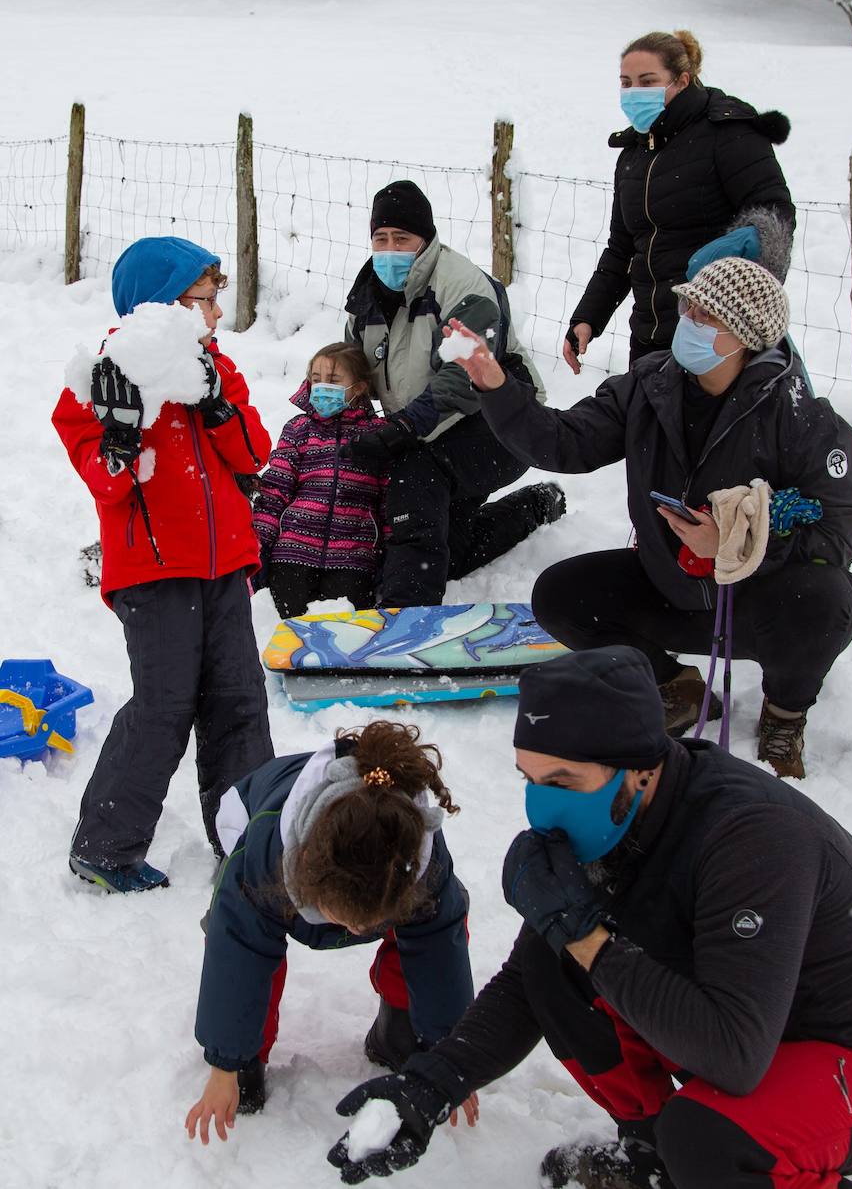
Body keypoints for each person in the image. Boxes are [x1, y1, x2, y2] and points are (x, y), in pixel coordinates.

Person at [327, 647, 852, 1189]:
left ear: (642, 770)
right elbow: (527, 982)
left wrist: (586, 937)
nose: (541, 805)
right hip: (744, 1026)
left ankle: (698, 1158)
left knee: (707, 1140)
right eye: (530, 779)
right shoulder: (611, 821)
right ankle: (653, 1158)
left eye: (563, 781)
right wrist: (431, 1085)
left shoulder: (752, 838)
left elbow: (734, 1053)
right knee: (552, 959)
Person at [446, 257, 852, 779]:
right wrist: (495, 386)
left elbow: (836, 533)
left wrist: (736, 543)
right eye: (688, 307)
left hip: (757, 603)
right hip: (673, 585)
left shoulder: (801, 416)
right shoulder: (650, 385)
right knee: (560, 596)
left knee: (826, 600)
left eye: (706, 316)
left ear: (744, 336)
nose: (687, 320)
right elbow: (565, 441)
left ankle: (784, 713)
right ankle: (676, 685)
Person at [51, 236, 274, 892]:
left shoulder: (215, 368)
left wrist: (218, 408)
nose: (215, 313)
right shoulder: (104, 377)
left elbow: (253, 454)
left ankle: (248, 842)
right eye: (203, 299)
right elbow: (105, 481)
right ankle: (106, 848)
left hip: (225, 564)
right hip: (153, 572)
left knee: (238, 701)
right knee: (164, 703)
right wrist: (120, 437)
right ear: (161, 305)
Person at [185, 719, 476, 1145]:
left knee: (430, 922)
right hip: (257, 814)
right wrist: (224, 1065)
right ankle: (248, 1055)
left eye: (366, 923)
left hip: (375, 863)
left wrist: (449, 1057)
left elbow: (441, 954)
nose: (357, 930)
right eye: (346, 919)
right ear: (308, 878)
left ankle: (400, 1030)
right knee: (247, 931)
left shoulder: (421, 863)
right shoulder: (265, 857)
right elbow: (237, 953)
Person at [345, 179, 565, 607]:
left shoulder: (462, 285)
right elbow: (351, 370)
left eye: (401, 238)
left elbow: (464, 376)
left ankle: (407, 611)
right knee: (445, 552)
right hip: (431, 430)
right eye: (380, 238)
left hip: (504, 425)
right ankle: (534, 507)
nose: (389, 249)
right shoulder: (366, 299)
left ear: (425, 239)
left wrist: (403, 428)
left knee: (415, 472)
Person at [563, 29, 794, 371]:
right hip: (649, 337)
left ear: (682, 80)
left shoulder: (729, 133)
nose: (634, 92)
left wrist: (726, 285)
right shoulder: (634, 153)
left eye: (647, 82)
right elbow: (622, 250)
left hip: (714, 338)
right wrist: (587, 318)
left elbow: (774, 220)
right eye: (626, 83)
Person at [253, 342, 389, 620]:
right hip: (292, 553)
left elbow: (388, 499)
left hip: (353, 558)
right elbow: (275, 491)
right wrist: (259, 546)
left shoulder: (377, 435)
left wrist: (388, 556)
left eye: (334, 380)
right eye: (316, 379)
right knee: (287, 628)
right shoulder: (298, 429)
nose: (323, 387)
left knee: (346, 630)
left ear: (360, 387)